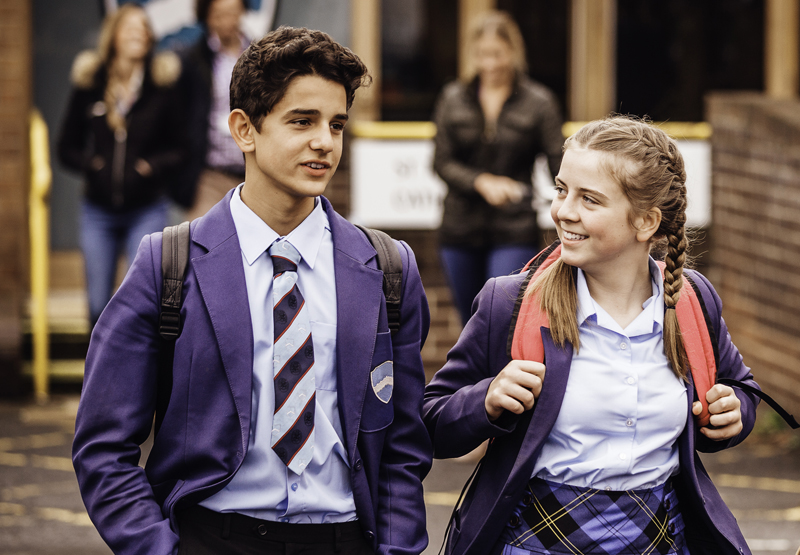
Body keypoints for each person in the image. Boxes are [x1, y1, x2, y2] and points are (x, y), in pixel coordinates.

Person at [73, 26, 433, 555]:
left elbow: (403, 445)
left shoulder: (387, 268)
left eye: (336, 124)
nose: (324, 141)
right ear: (244, 129)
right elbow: (103, 444)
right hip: (212, 536)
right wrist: (157, 549)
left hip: (344, 538)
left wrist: (397, 548)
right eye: (302, 121)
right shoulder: (166, 263)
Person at [423, 116, 761, 555]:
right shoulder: (507, 302)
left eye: (589, 199)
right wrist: (486, 400)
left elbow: (740, 389)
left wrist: (734, 414)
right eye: (561, 190)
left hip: (659, 542)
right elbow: (432, 422)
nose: (564, 211)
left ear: (646, 222)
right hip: (534, 542)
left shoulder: (692, 301)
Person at [57, 3, 185, 329]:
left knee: (139, 302)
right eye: (130, 27)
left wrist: (149, 167)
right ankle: (99, 362)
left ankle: (133, 362)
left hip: (146, 209)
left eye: (144, 28)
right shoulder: (90, 84)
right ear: (113, 36)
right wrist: (94, 165)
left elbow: (180, 147)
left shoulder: (161, 86)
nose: (138, 33)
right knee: (97, 305)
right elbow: (65, 147)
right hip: (97, 211)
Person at [432, 10, 564, 326]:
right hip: (460, 228)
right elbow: (441, 162)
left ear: (513, 53)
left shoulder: (539, 102)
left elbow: (559, 164)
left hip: (514, 229)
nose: (490, 64)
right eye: (482, 55)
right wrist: (481, 182)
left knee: (502, 317)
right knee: (470, 322)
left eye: (497, 54)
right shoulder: (453, 98)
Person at [174, 0, 249, 218]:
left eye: (232, 13)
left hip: (253, 175)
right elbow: (180, 118)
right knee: (201, 235)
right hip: (210, 175)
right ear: (207, 18)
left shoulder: (259, 54)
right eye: (219, 15)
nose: (227, 21)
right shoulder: (194, 59)